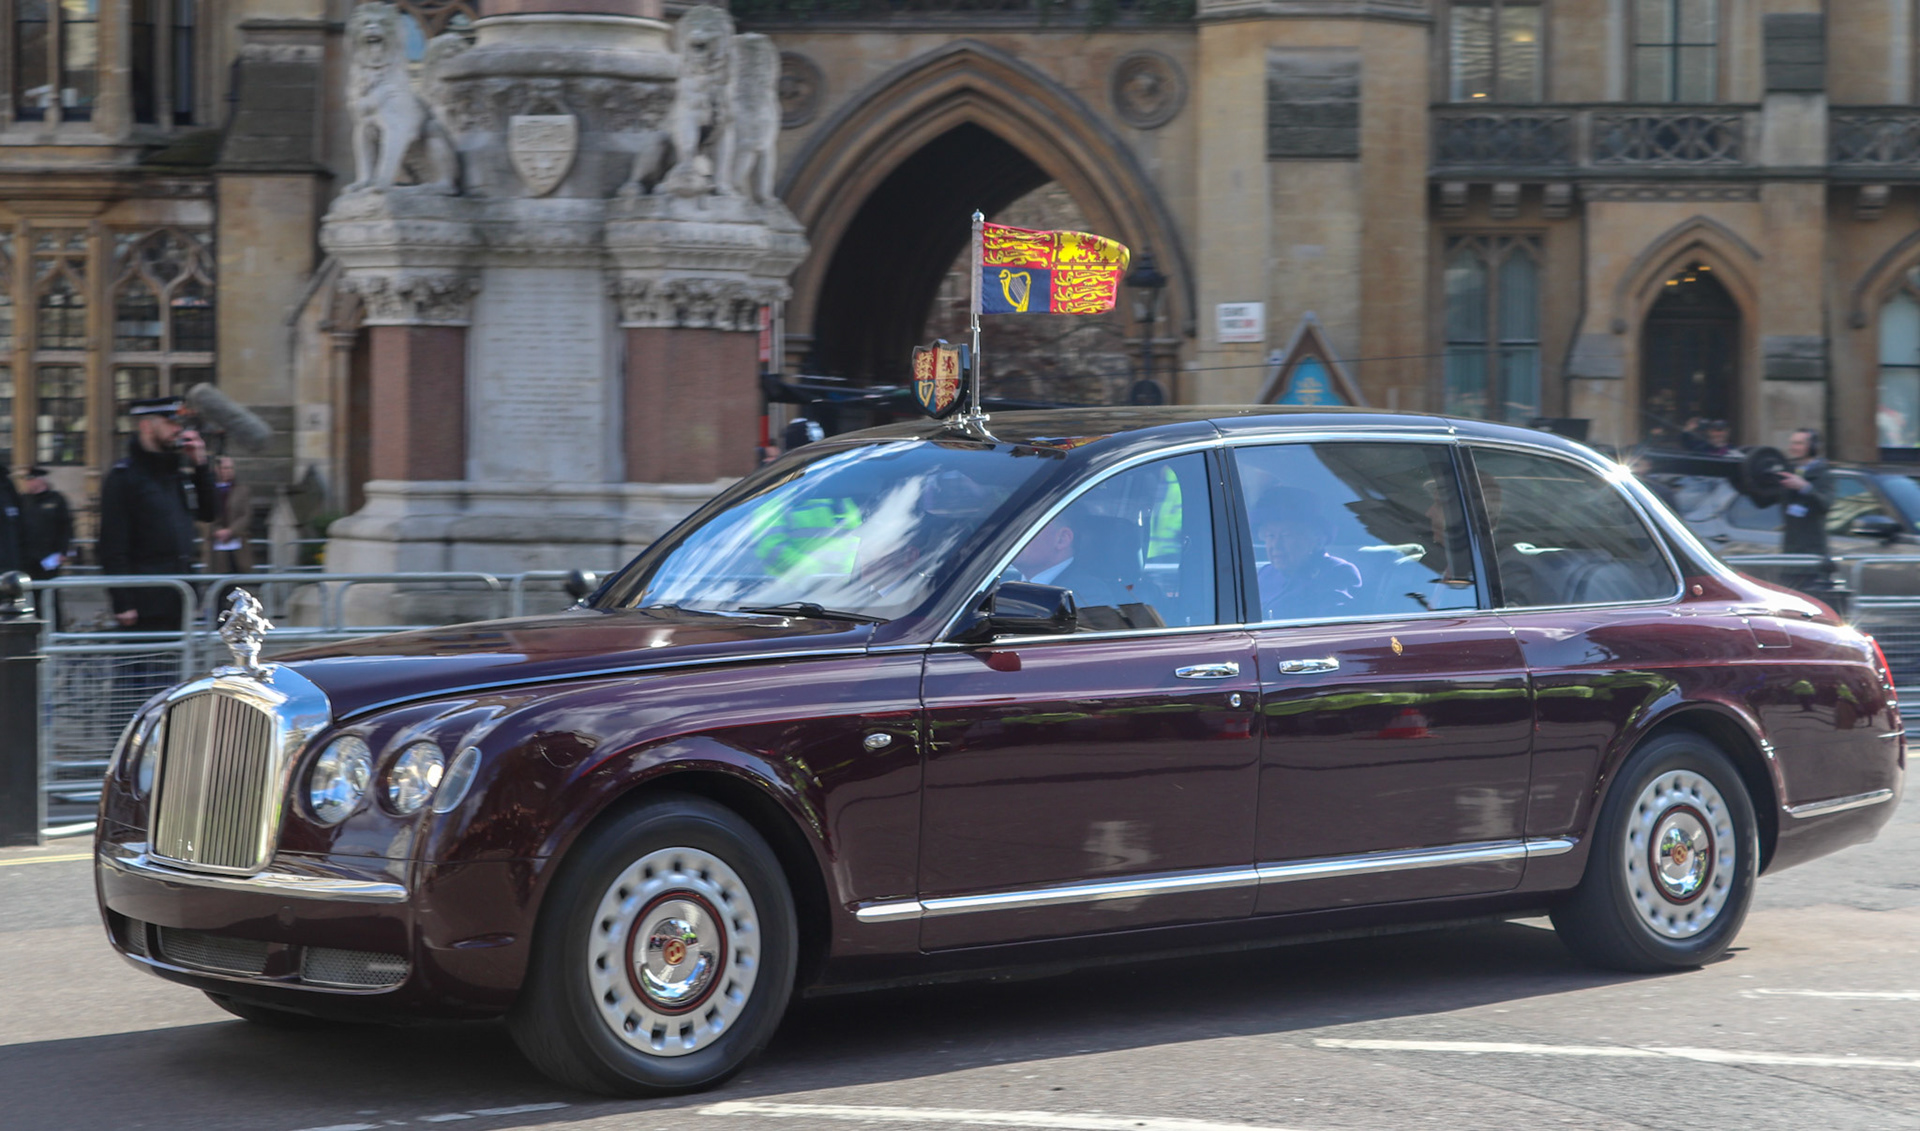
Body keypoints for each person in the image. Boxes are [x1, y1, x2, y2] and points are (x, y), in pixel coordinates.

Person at [98, 397, 215, 632]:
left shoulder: (175, 474)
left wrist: (201, 464)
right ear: (147, 426)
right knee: (146, 666)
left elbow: (209, 512)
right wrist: (122, 602)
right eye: (170, 422)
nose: (178, 429)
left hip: (181, 596)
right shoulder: (124, 477)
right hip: (145, 601)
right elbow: (112, 545)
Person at [1253, 489, 1361, 619]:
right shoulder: (1266, 573)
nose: (1276, 544)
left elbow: (1328, 628)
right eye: (1270, 536)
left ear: (1316, 539)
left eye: (1286, 535)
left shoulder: (1338, 572)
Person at [1777, 428, 1835, 594]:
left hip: (1812, 554)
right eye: (1792, 443)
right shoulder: (1789, 471)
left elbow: (1826, 504)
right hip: (1790, 554)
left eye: (1799, 443)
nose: (1793, 447)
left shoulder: (1823, 474)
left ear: (1812, 447)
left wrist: (1805, 487)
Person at [18, 467, 73, 581]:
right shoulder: (22, 500)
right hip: (27, 555)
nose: (29, 483)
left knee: (50, 587)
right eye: (28, 480)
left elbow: (65, 526)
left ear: (41, 480)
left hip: (49, 554)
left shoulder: (56, 499)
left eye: (32, 479)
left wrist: (63, 551)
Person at [204, 455, 254, 574]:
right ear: (217, 470)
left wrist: (231, 531)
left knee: (240, 577)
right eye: (225, 468)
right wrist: (216, 530)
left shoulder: (242, 490)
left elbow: (246, 514)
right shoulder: (209, 491)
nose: (228, 471)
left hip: (238, 542)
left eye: (230, 468)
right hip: (215, 544)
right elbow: (204, 515)